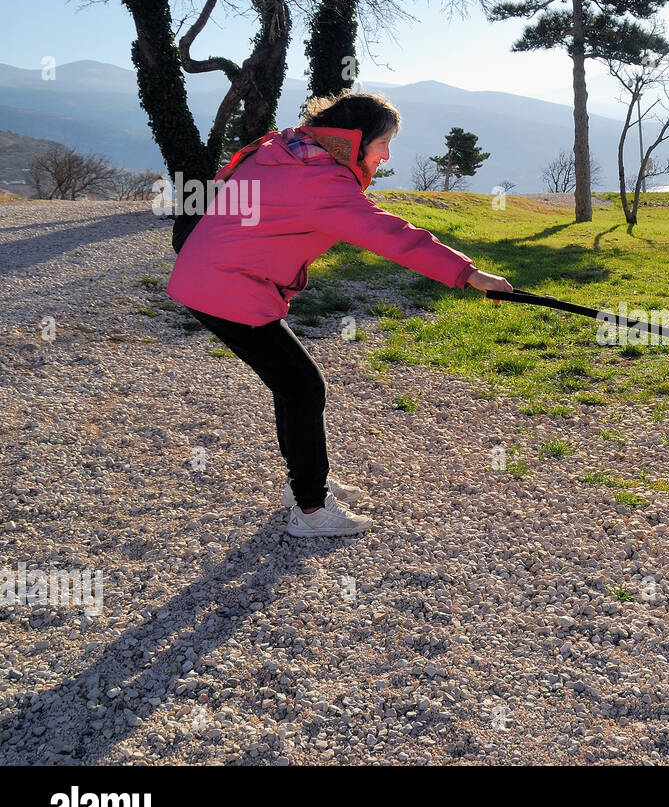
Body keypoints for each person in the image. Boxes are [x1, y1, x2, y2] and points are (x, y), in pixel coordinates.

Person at [166, 91, 512, 537]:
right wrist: (467, 274)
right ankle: (310, 510)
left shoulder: (290, 149)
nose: (388, 154)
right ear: (355, 140)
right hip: (225, 289)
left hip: (215, 278)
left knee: (292, 386)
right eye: (383, 143)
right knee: (304, 388)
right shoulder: (320, 180)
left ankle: (303, 486)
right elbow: (389, 233)